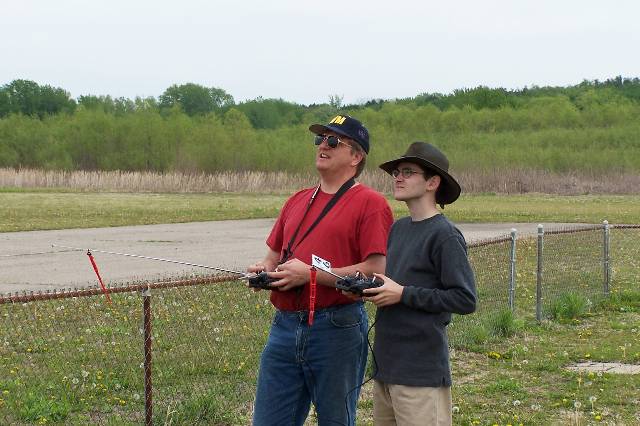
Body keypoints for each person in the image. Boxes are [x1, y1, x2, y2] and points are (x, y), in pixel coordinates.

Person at [247, 114, 394, 426]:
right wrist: (264, 271)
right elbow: (273, 256)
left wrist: (310, 274)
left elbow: (375, 271)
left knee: (335, 420)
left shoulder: (372, 204)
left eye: (332, 141)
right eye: (320, 139)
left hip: (336, 328)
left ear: (356, 156)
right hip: (284, 327)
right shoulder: (297, 199)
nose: (322, 146)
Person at [362, 142, 477, 426]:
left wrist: (403, 294)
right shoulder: (399, 229)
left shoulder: (445, 235)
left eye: (408, 172)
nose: (398, 177)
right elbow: (395, 285)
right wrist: (368, 287)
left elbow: (465, 299)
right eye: (397, 172)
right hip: (386, 369)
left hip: (420, 372)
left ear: (432, 182)